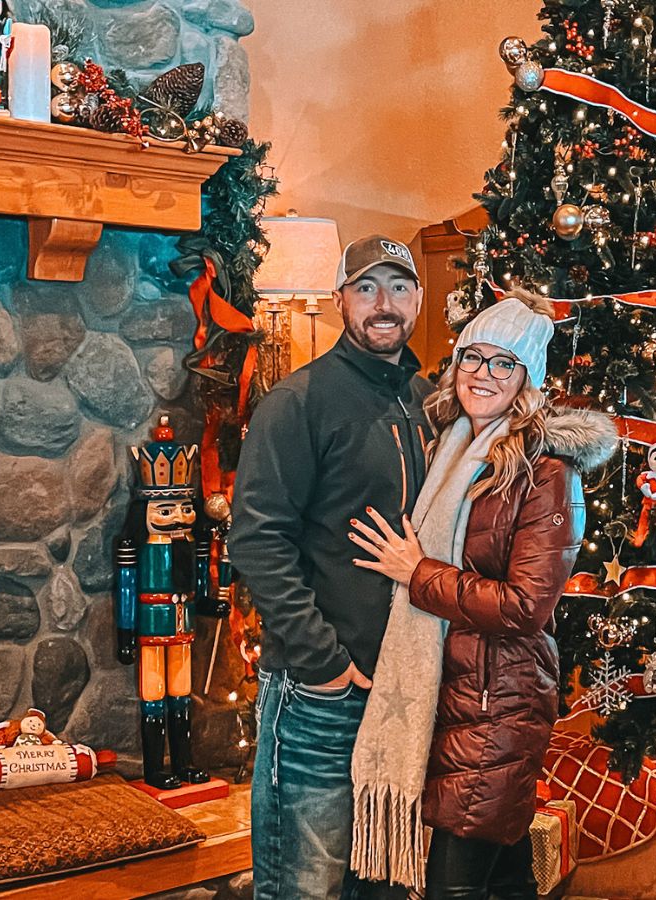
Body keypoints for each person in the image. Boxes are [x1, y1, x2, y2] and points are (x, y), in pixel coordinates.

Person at [347, 291, 617, 899]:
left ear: (527, 380)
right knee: (502, 873)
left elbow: (526, 606)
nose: (483, 375)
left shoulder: (546, 471)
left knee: (454, 883)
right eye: (473, 358)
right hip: (455, 693)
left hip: (499, 702)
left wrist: (418, 574)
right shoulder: (448, 447)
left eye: (503, 363)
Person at [229, 235, 433, 900]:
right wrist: (323, 663)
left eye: (399, 288)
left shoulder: (430, 399)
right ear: (340, 299)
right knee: (305, 885)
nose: (384, 304)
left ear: (418, 300)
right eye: (367, 288)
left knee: (382, 883)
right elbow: (258, 539)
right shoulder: (299, 401)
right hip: (324, 693)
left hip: (404, 693)